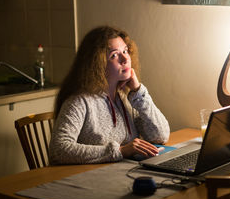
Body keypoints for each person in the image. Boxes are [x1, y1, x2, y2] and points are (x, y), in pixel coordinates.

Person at [49, 26, 170, 164]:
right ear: (97, 64)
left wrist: (138, 90)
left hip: (123, 172)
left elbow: (160, 136)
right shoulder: (79, 101)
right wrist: (120, 151)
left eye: (125, 51)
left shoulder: (125, 97)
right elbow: (58, 150)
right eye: (114, 55)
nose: (125, 59)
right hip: (89, 178)